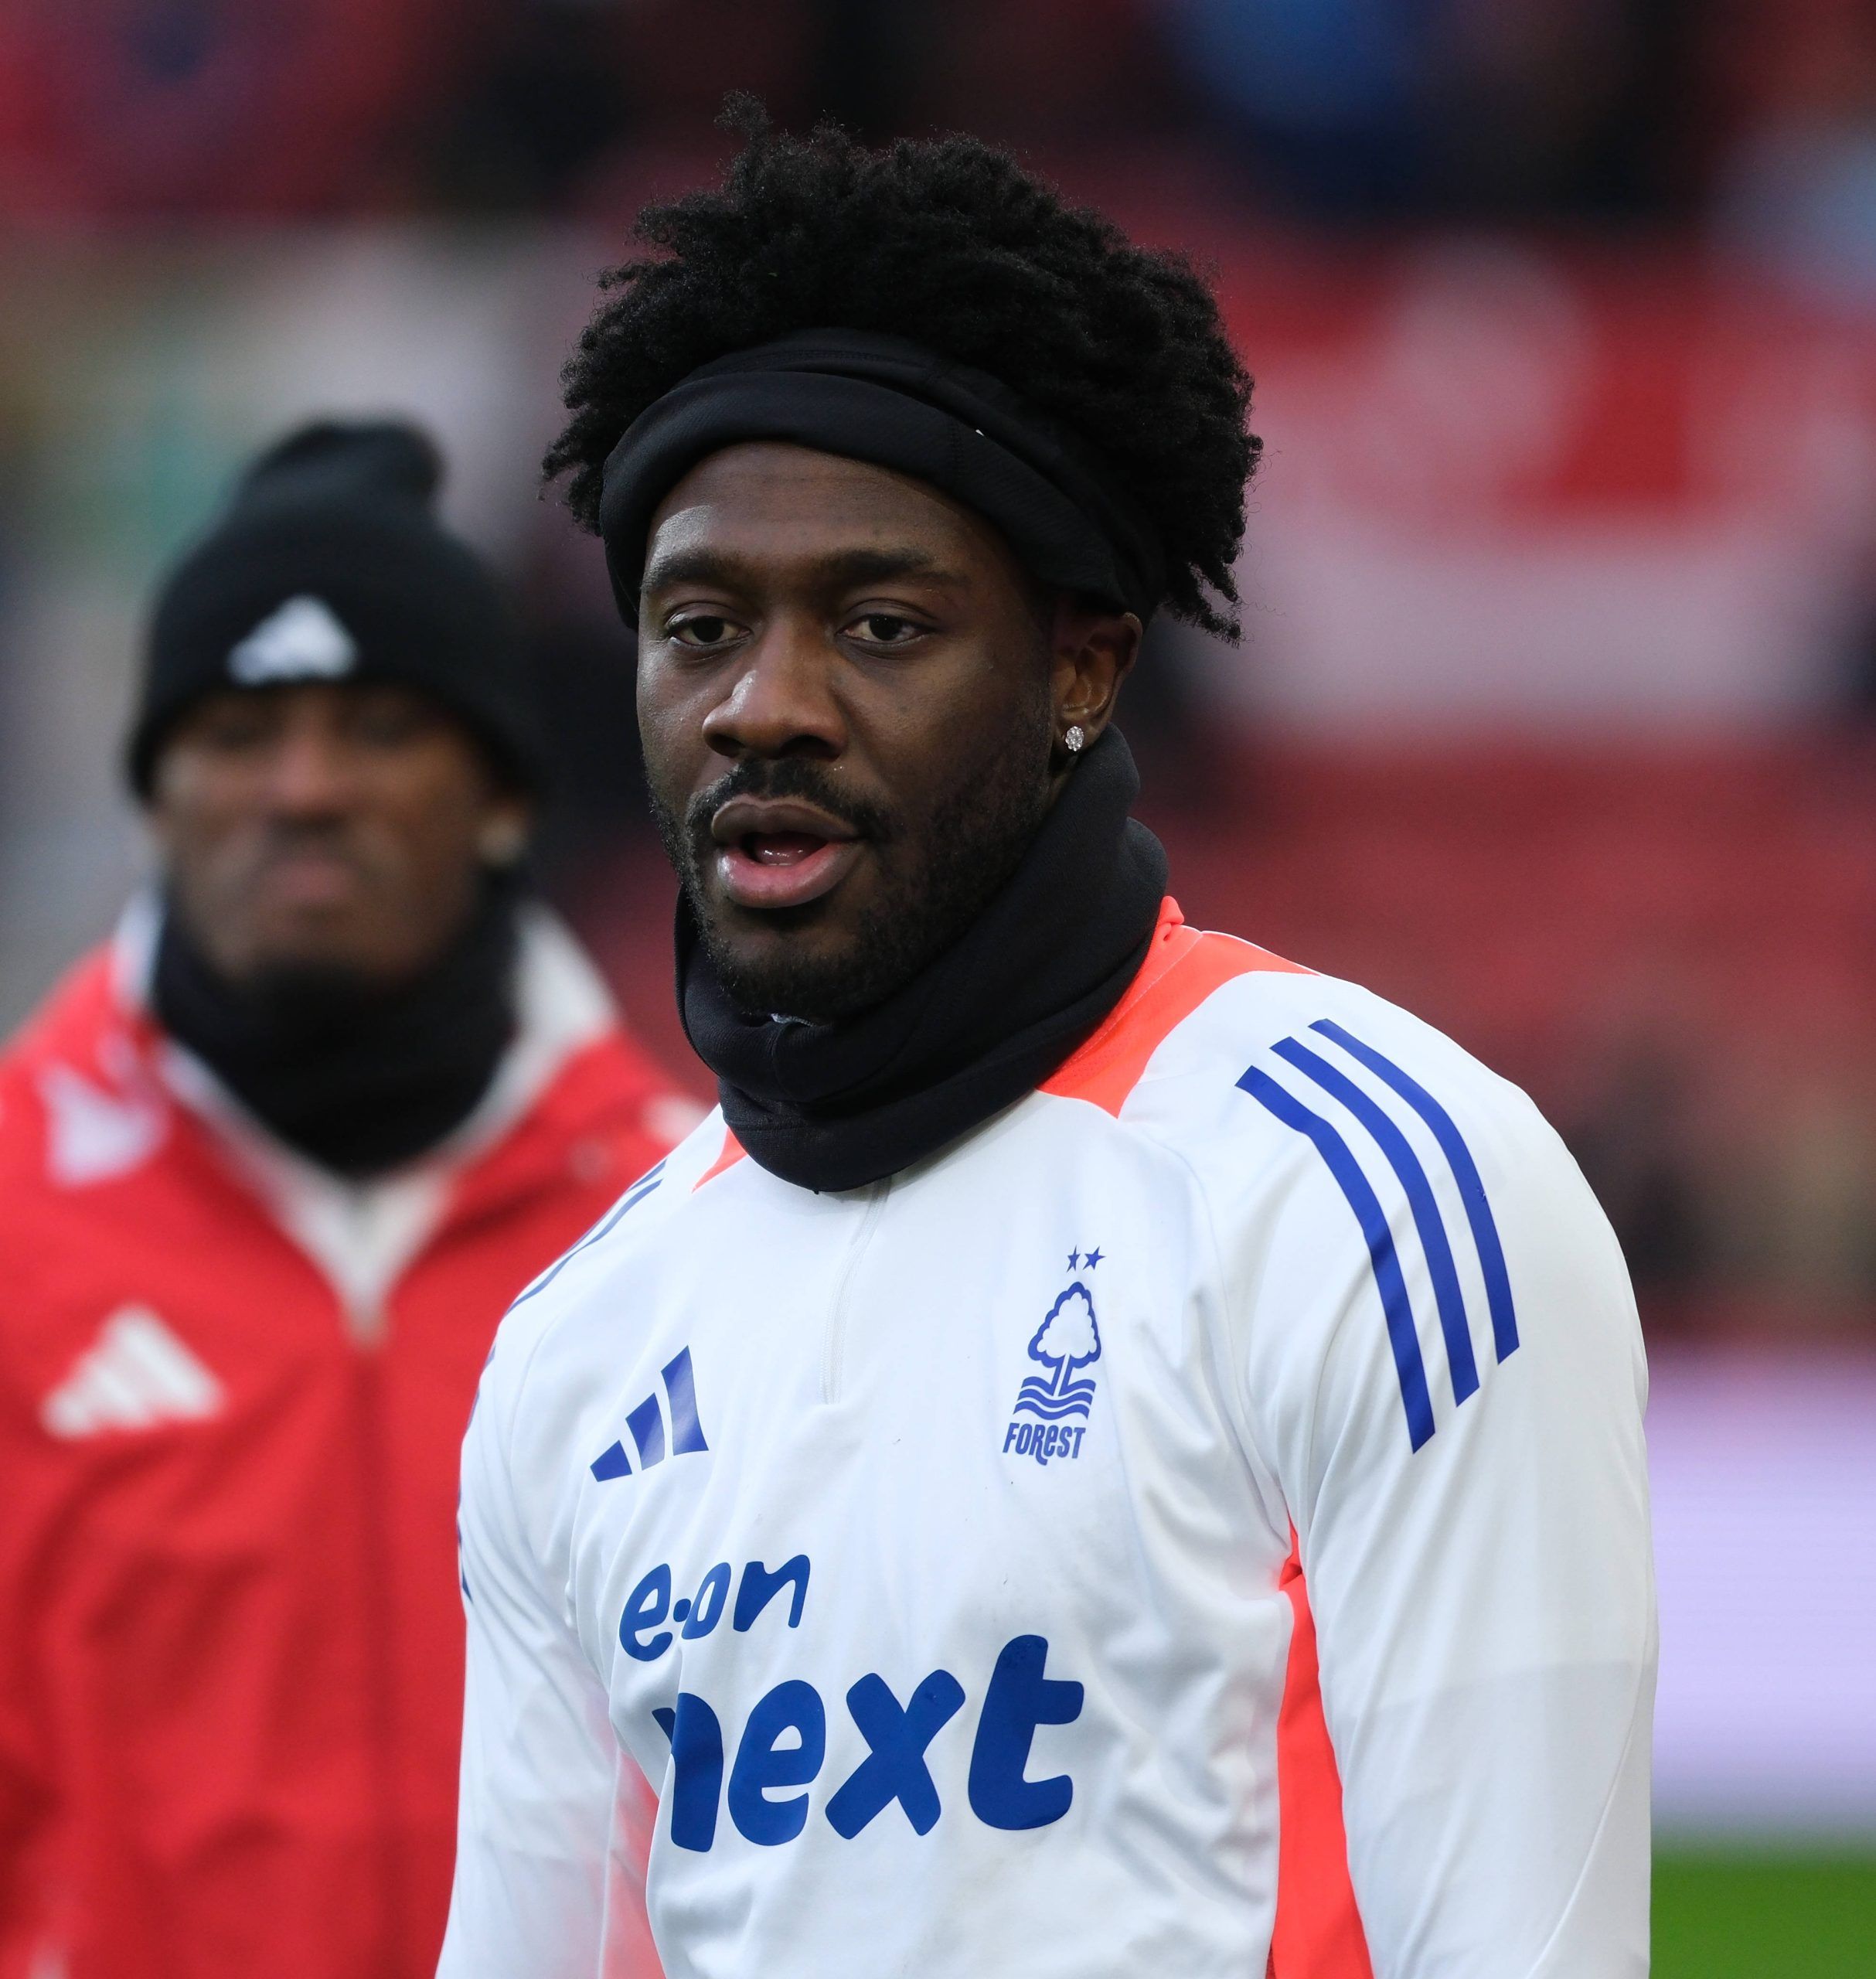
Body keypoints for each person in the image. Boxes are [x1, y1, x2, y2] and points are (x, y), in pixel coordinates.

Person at [441, 113, 1655, 1979]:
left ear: (1083, 665)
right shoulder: (576, 1345)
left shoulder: (1375, 1190)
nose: (763, 703)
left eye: (878, 621)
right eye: (699, 626)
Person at [0, 422, 698, 1979]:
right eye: (239, 732)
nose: (303, 788)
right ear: (157, 793)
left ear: (502, 793)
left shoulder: (697, 1222)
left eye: (377, 726)